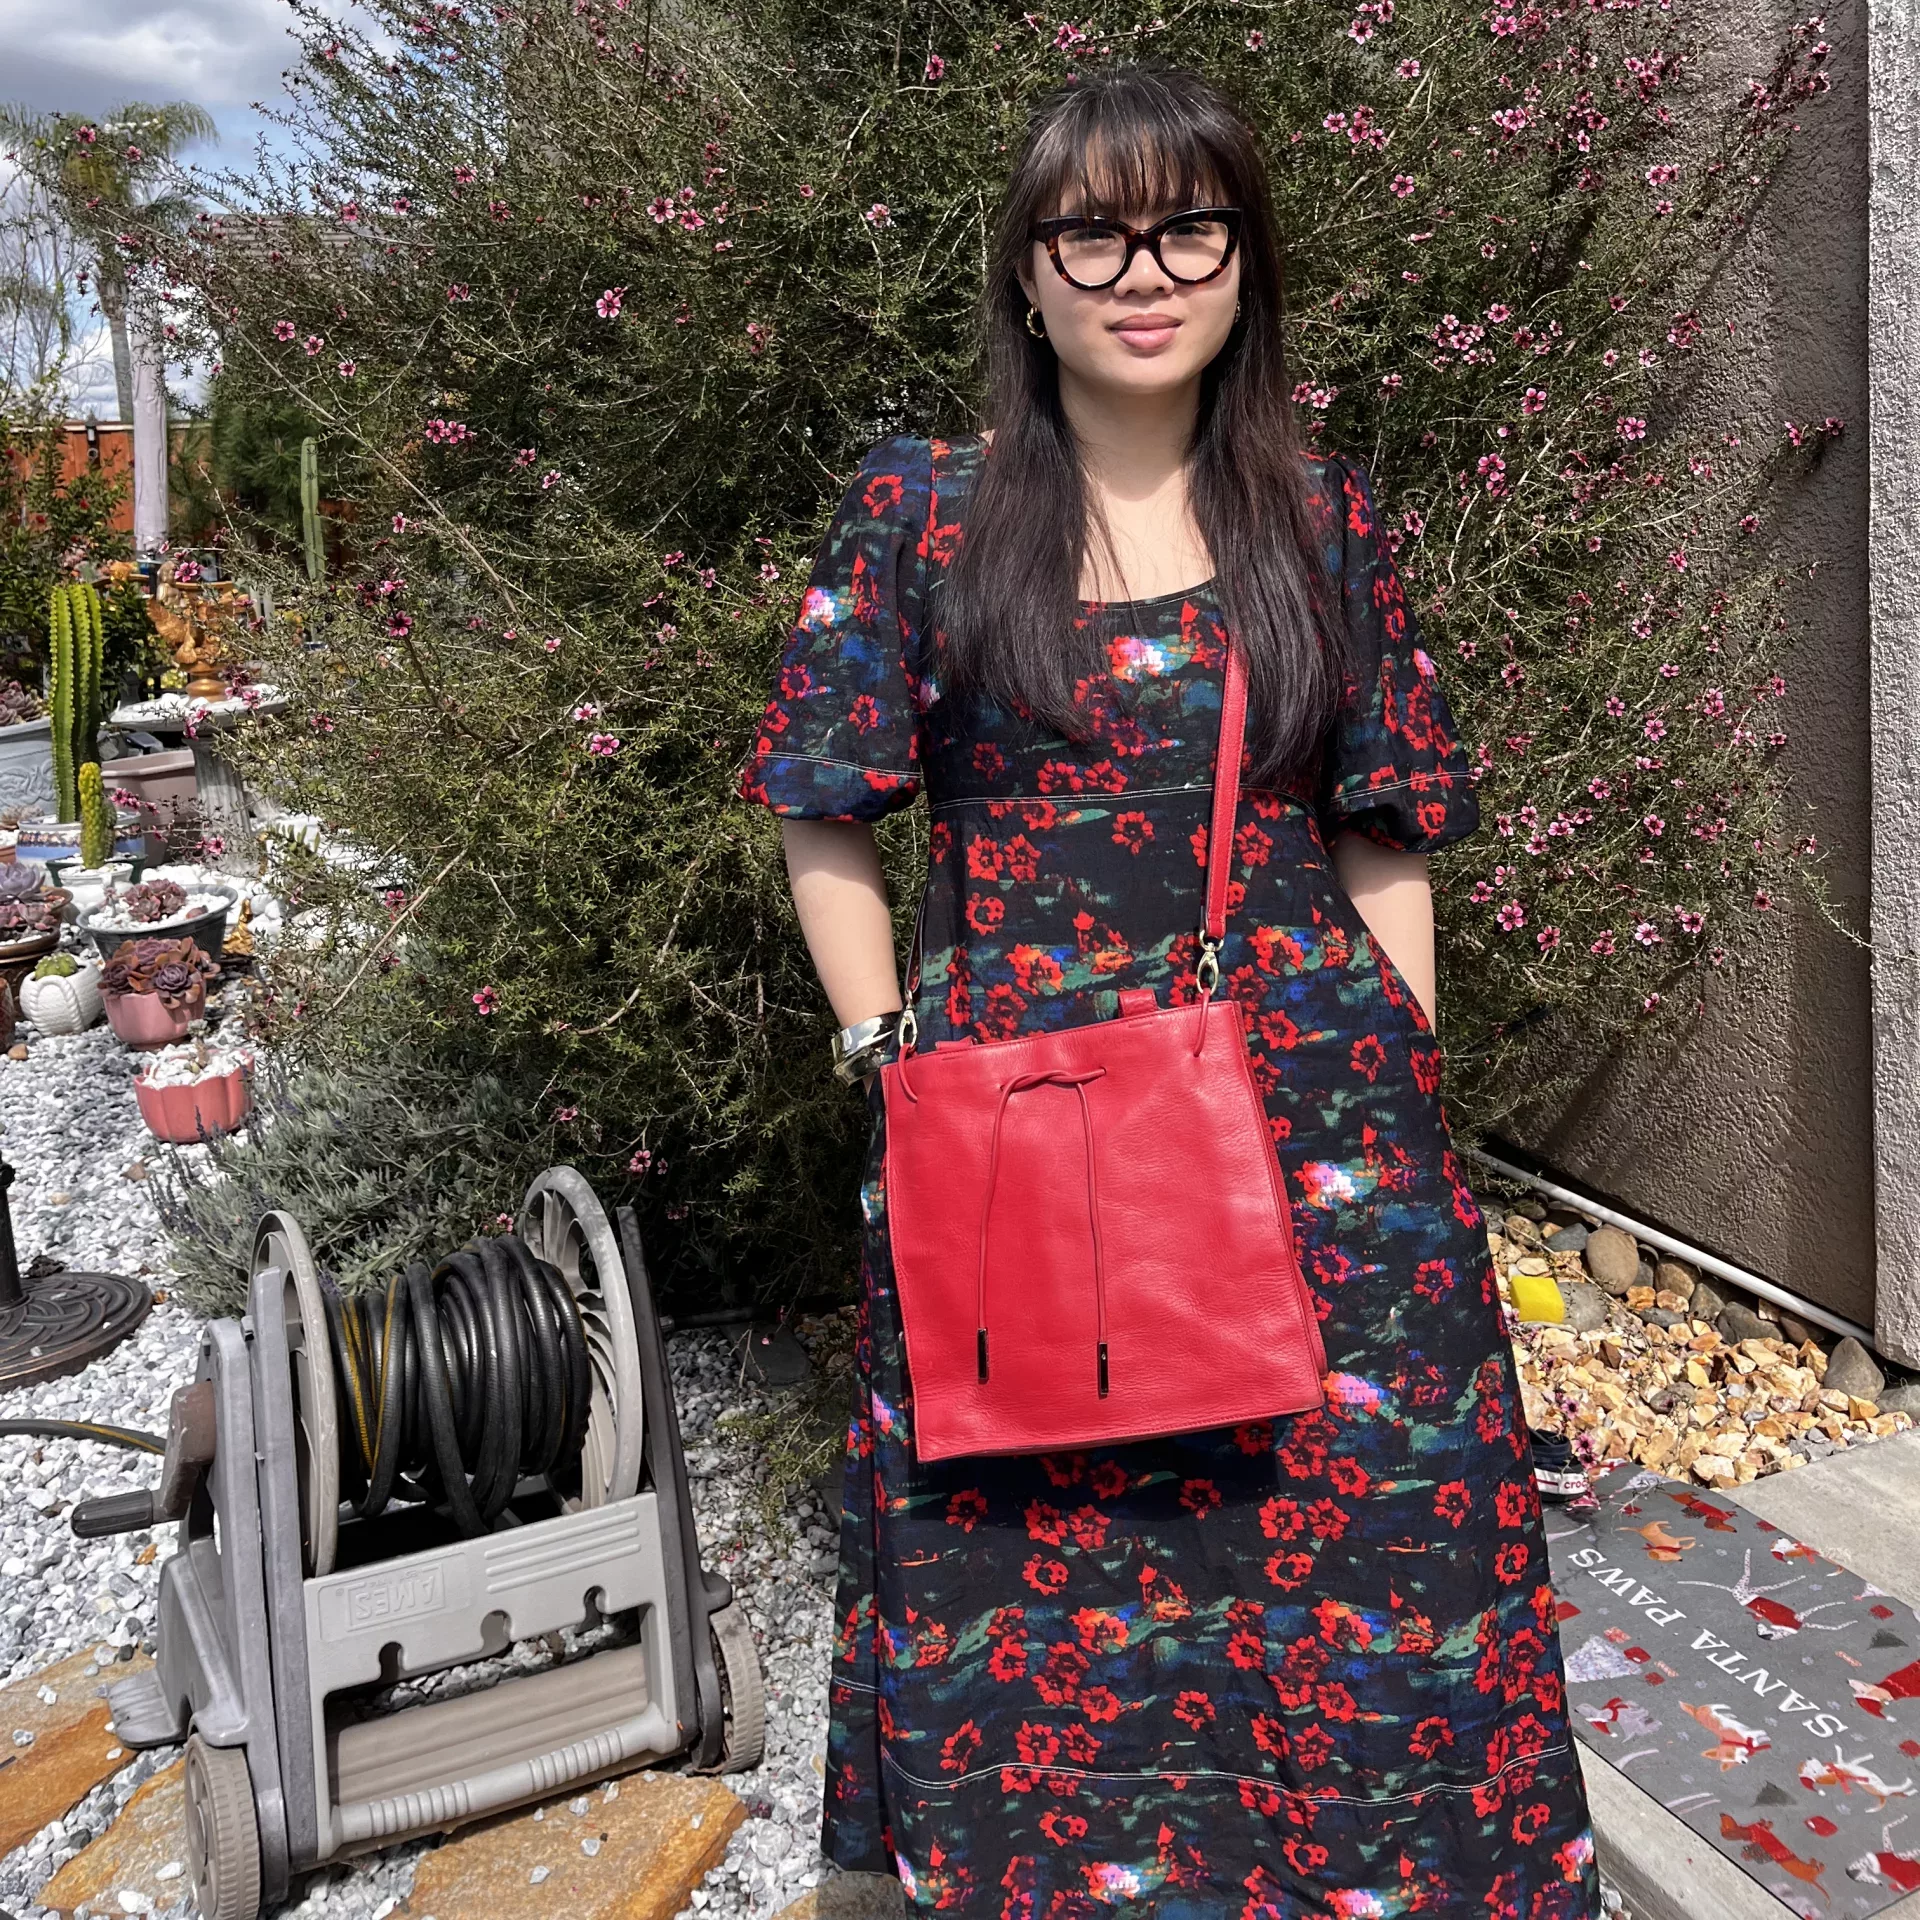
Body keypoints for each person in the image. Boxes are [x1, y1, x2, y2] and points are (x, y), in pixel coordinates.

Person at [738, 63, 1598, 1919]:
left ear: (1244, 263)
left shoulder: (1324, 522)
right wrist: (893, 1061)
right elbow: (824, 809)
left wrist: (1404, 1085)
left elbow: (1386, 831)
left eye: (1188, 224)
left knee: (1365, 1562)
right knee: (1053, 1568)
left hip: (1323, 1141)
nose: (1146, 268)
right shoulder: (923, 516)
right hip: (1025, 1131)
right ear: (1028, 274)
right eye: (1093, 230)